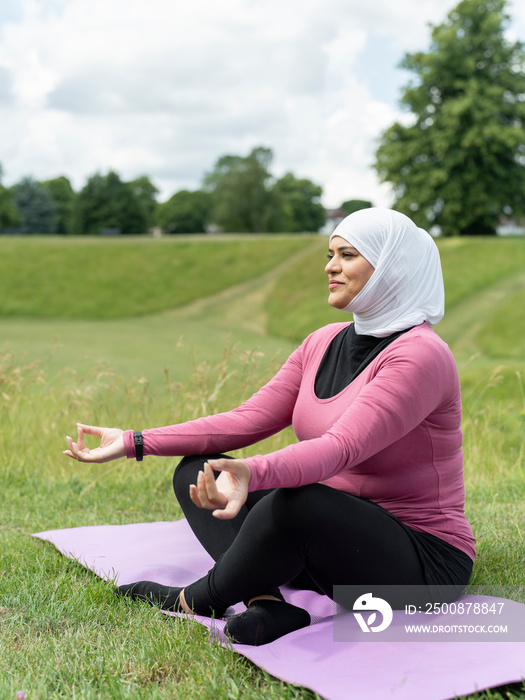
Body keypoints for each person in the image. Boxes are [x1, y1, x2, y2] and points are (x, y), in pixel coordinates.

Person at [64, 207, 475, 646]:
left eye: (348, 255)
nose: (330, 266)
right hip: (329, 549)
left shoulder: (420, 355)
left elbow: (341, 448)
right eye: (330, 253)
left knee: (299, 501)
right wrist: (134, 441)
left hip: (419, 565)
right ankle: (267, 603)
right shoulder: (322, 341)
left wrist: (253, 472)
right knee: (197, 472)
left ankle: (198, 598)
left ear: (392, 267)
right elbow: (249, 419)